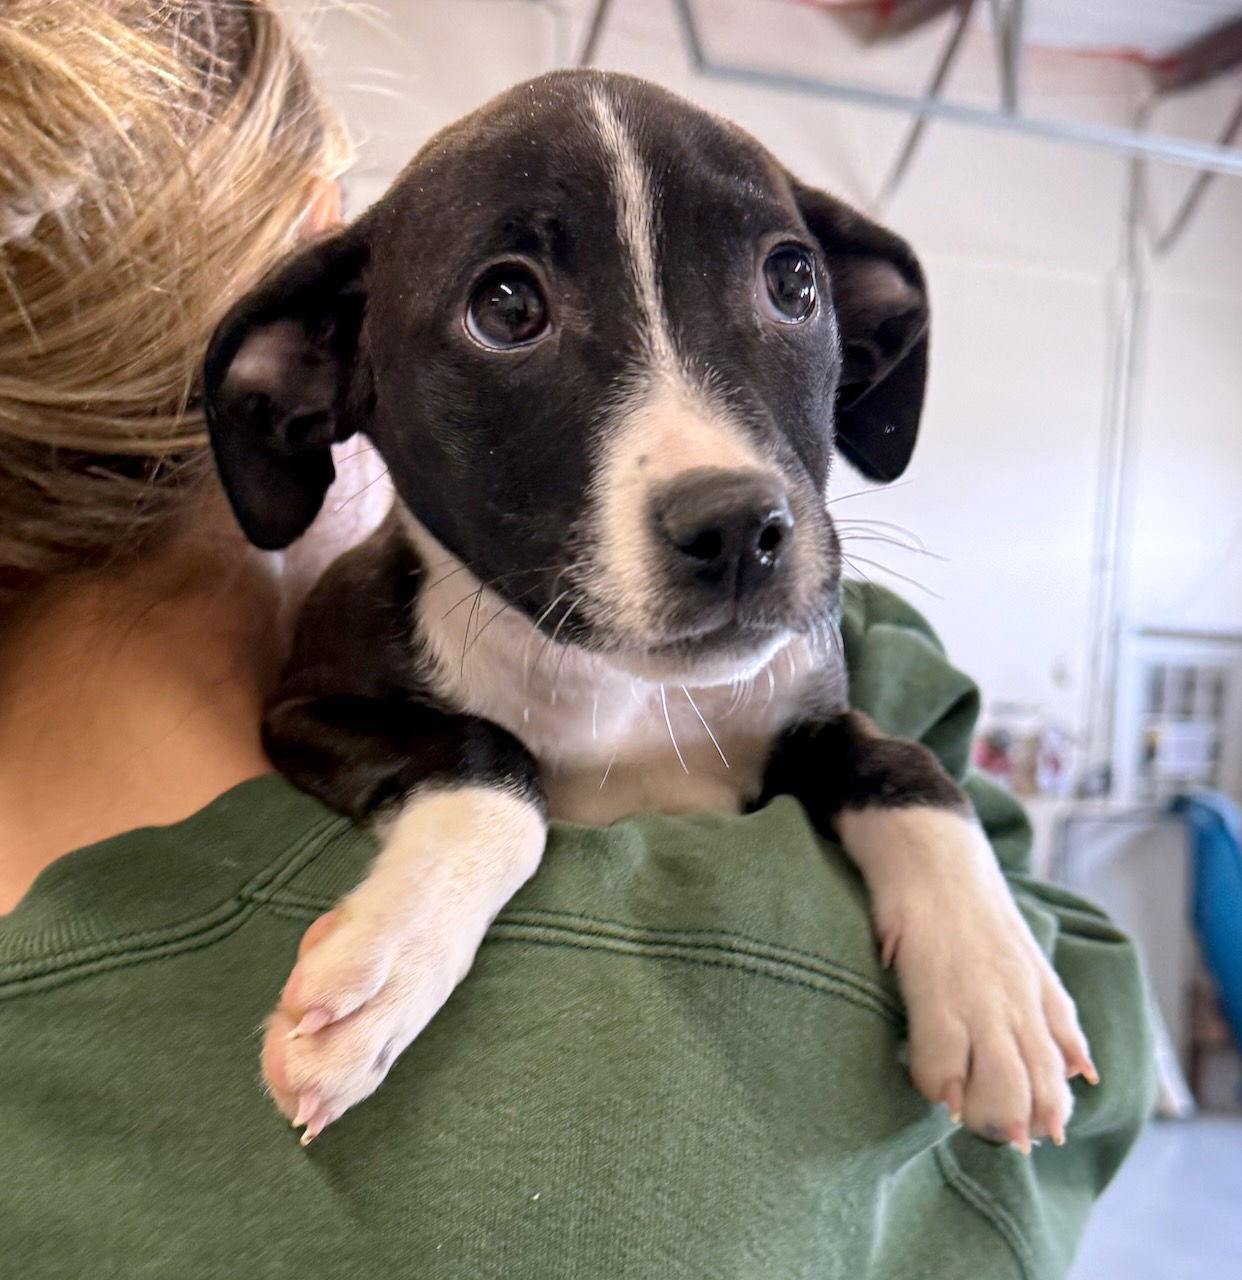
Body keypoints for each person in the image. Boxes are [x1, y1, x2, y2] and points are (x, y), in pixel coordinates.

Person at [0, 3, 1153, 1277]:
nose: (725, 474)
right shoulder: (372, 669)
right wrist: (478, 813)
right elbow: (1086, 1084)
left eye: (787, 283)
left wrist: (919, 824)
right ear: (313, 367)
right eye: (510, 304)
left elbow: (832, 742)